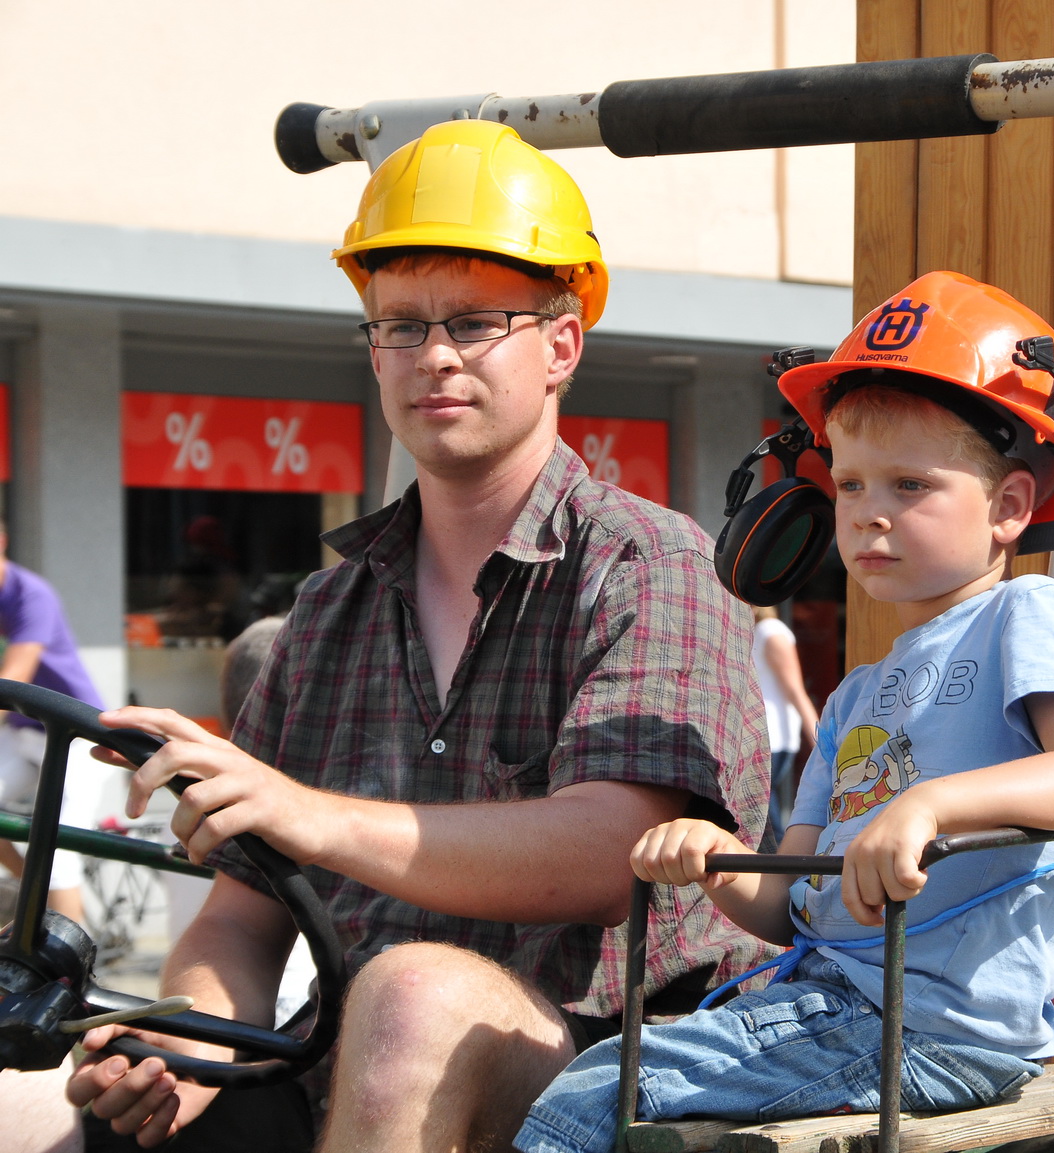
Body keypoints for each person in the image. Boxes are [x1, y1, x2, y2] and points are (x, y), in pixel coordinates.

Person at [64, 119, 773, 1152]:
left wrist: (305, 813)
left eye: (476, 321)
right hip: (342, 1066)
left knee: (408, 996)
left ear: (562, 344)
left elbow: (606, 853)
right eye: (401, 325)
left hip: (599, 1078)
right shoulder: (328, 610)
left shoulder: (646, 562)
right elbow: (239, 918)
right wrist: (186, 1043)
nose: (433, 355)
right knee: (34, 1094)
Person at [516, 272, 1054, 1153]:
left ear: (1007, 507)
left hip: (933, 1028)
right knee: (605, 1077)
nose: (870, 516)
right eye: (849, 486)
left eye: (910, 486)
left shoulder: (1028, 613)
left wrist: (924, 806)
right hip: (833, 1004)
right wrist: (712, 863)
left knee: (596, 1097)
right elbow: (790, 902)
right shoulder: (854, 694)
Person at [0, 517, 111, 926]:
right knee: (42, 865)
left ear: (3, 541)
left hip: (75, 736)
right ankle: (34, 893)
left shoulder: (31, 593)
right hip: (25, 732)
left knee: (56, 852)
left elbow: (11, 682)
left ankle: (71, 979)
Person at [750, 605, 818, 842]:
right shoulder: (758, 631)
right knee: (764, 816)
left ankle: (780, 873)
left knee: (766, 820)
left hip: (771, 739)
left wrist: (819, 742)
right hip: (763, 738)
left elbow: (796, 690)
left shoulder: (771, 631)